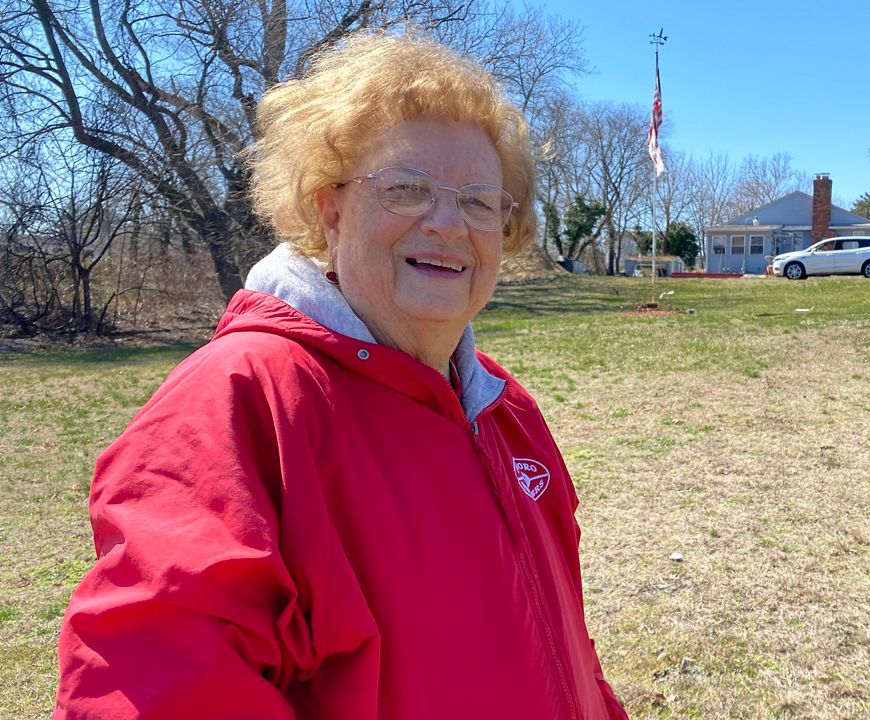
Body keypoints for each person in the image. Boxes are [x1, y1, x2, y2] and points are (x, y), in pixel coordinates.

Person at [54, 31, 627, 719]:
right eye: (407, 188)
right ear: (330, 210)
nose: (448, 222)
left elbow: (565, 651)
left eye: (479, 201)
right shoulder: (238, 404)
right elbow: (154, 685)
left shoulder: (505, 411)